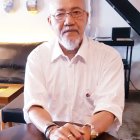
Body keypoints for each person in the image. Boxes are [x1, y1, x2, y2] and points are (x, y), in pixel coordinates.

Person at [23, 0, 124, 139]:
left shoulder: (109, 57)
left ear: (87, 17)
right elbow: (33, 105)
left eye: (76, 12)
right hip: (51, 134)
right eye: (59, 14)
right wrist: (52, 130)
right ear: (50, 21)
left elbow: (109, 107)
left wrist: (87, 131)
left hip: (96, 135)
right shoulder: (37, 57)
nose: (69, 21)